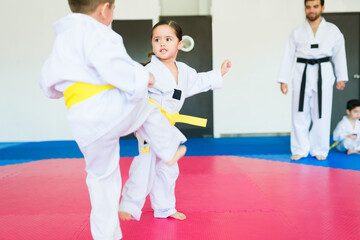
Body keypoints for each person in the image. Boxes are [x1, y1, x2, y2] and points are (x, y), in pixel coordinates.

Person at [39, 1, 187, 239]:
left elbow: (47, 84)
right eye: (114, 10)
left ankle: (106, 235)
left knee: (100, 179)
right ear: (105, 8)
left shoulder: (62, 41)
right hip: (107, 109)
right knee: (147, 109)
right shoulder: (99, 33)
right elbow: (115, 66)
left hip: (81, 120)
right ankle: (169, 150)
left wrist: (63, 90)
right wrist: (144, 78)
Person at [118, 20, 231, 221]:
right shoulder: (148, 71)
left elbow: (200, 81)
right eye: (157, 39)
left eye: (168, 39)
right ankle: (129, 204)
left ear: (179, 44)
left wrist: (219, 73)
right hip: (148, 123)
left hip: (167, 126)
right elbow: (131, 87)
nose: (162, 43)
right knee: (146, 163)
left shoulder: (185, 71)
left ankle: (164, 208)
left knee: (168, 168)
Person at [278, 0, 348, 161]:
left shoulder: (332, 30)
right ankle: (300, 149)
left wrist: (341, 76)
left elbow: (339, 54)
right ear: (305, 9)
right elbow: (288, 56)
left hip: (323, 71)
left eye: (315, 6)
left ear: (322, 8)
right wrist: (283, 80)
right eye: (308, 7)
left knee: (322, 113)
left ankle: (319, 148)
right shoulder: (297, 32)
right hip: (302, 72)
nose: (312, 10)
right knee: (299, 112)